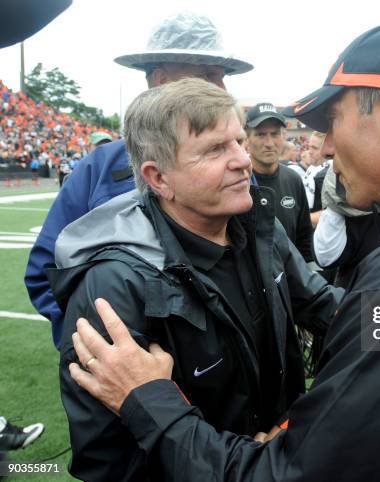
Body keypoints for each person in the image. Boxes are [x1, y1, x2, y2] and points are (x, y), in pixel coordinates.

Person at [69, 20, 380, 481]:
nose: (326, 145)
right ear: (160, 178)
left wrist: (152, 400)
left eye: (331, 121)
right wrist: (310, 428)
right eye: (216, 149)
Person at [49, 78, 341, 481]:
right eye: (215, 149)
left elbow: (326, 305)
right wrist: (246, 463)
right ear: (159, 178)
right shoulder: (114, 286)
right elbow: (109, 462)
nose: (242, 159)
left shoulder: (260, 230)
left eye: (239, 141)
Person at [25, 12, 254, 349]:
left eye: (222, 77)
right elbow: (45, 274)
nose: (221, 89)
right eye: (207, 75)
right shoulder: (100, 168)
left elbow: (288, 279)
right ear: (161, 81)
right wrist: (103, 344)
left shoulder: (242, 174)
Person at [245, 103, 314, 261]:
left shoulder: (293, 179)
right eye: (261, 135)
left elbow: (304, 238)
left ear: (283, 137)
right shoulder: (237, 182)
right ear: (247, 139)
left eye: (275, 134)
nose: (269, 143)